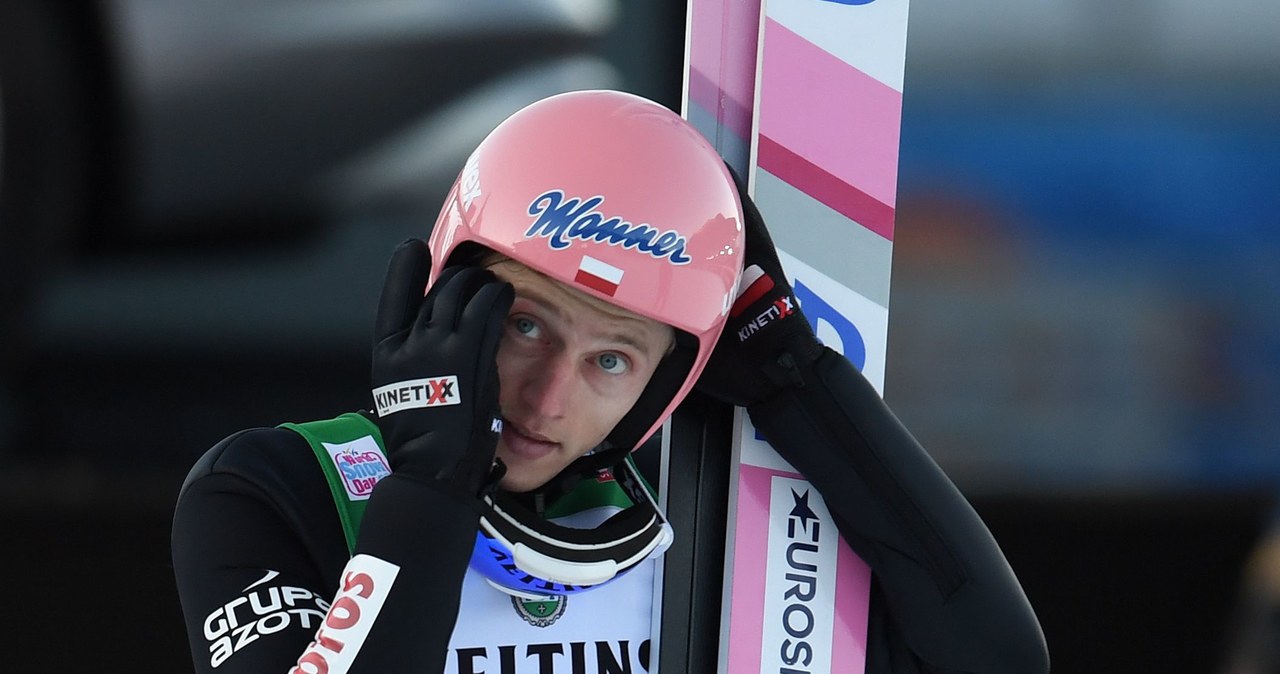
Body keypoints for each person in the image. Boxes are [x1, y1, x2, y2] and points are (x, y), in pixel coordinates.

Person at [172, 89, 1048, 674]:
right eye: (525, 326)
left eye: (611, 359)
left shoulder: (698, 505)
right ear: (448, 293)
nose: (550, 398)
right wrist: (427, 492)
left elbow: (995, 657)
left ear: (664, 383)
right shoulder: (273, 487)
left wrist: (797, 386)